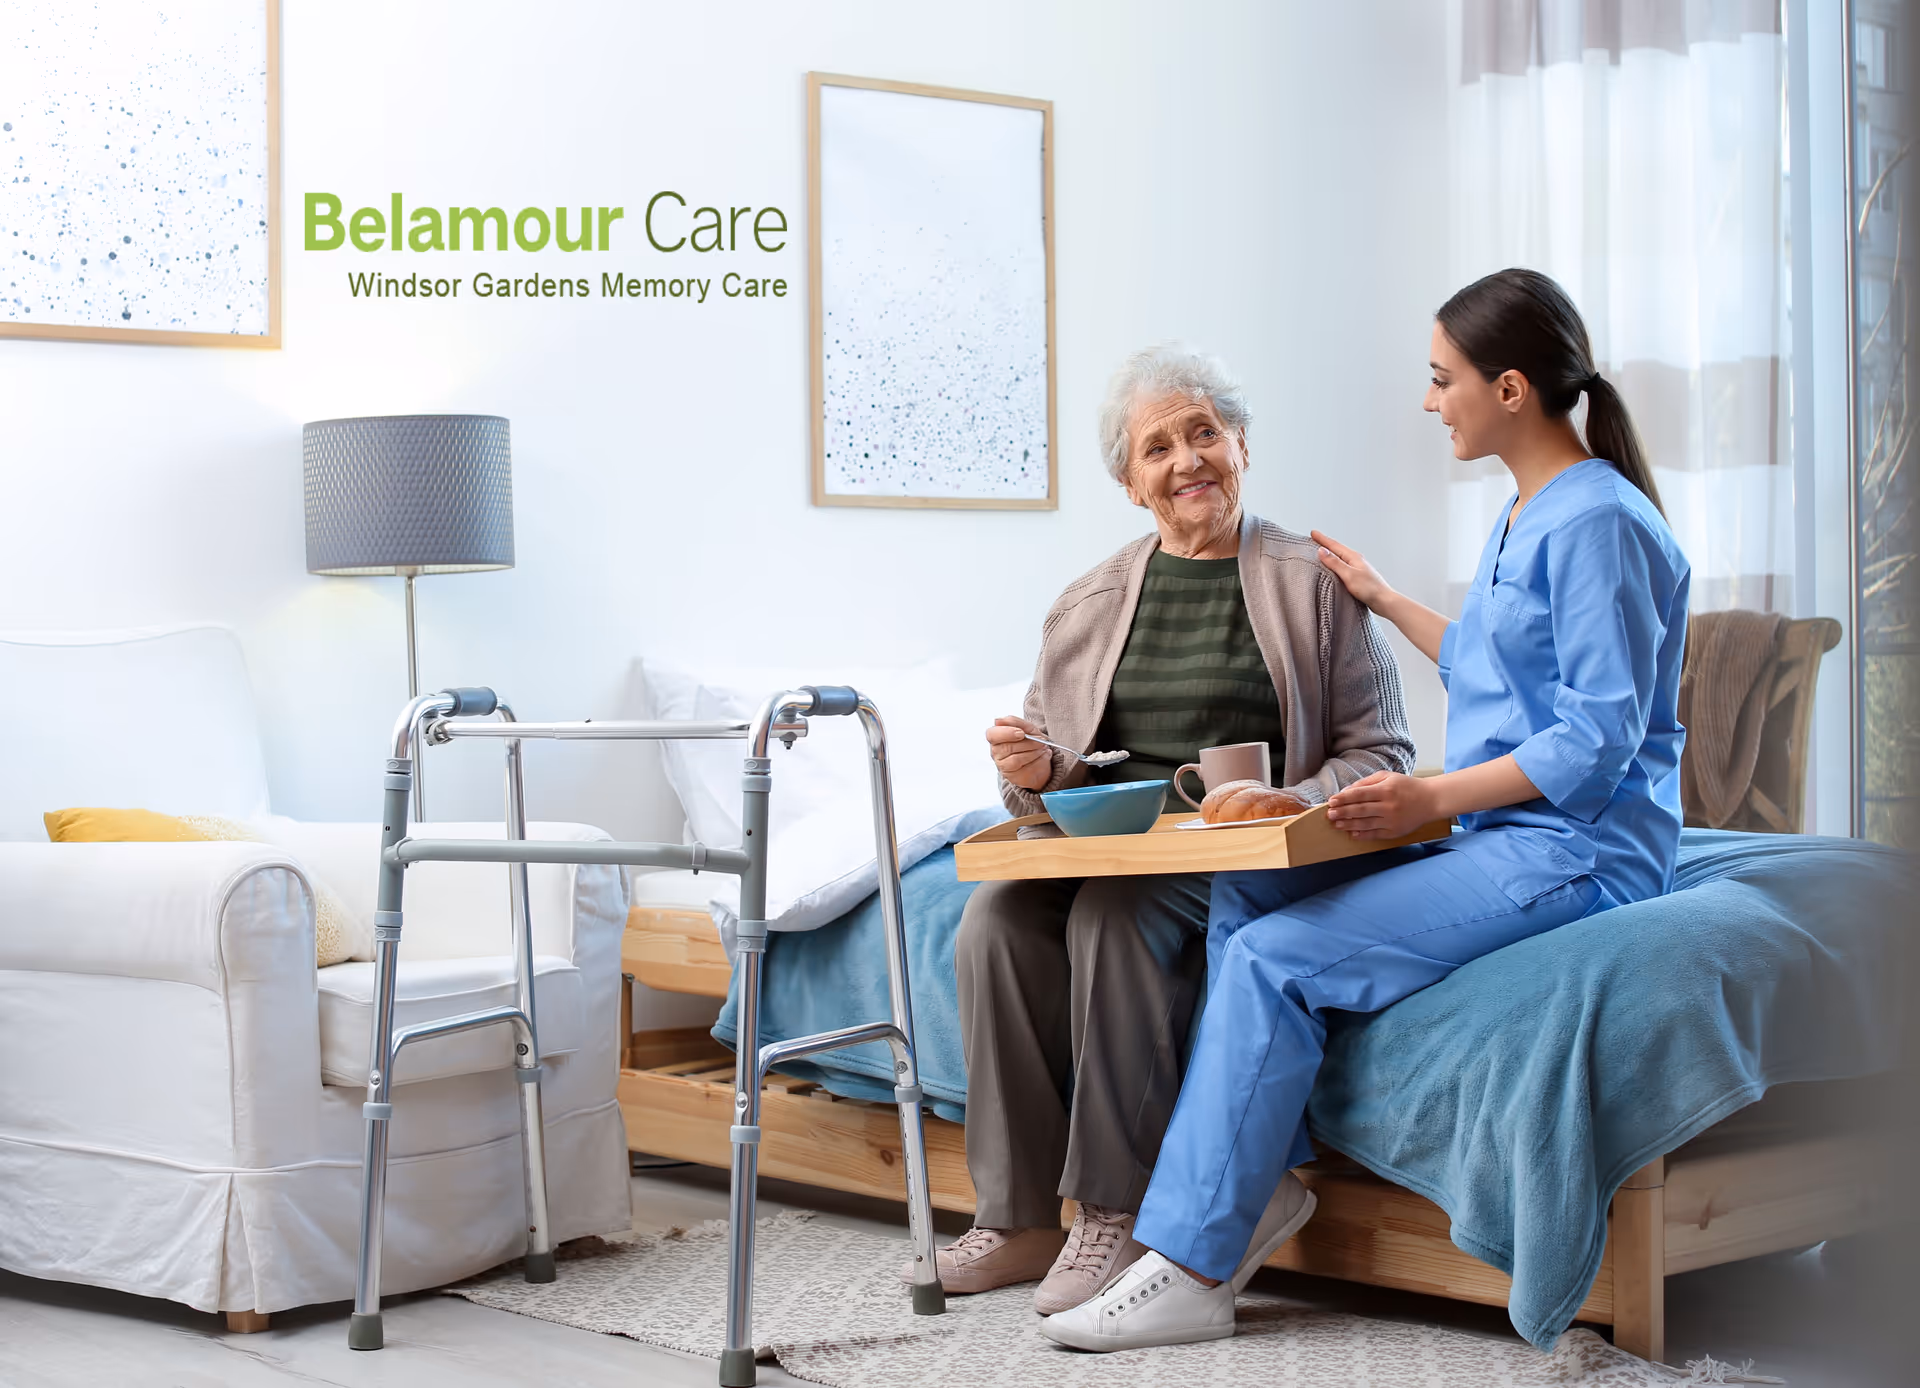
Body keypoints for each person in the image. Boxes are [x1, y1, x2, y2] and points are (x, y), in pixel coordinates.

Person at [1041, 269, 1691, 1351]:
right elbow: (1498, 664)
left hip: (1579, 851)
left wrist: (1427, 796)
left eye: (1444, 380)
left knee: (1274, 956)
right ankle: (1272, 1180)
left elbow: (1596, 736)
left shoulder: (1596, 523)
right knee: (1247, 883)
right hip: (1509, 833)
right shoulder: (1533, 507)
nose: (1432, 401)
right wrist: (1387, 598)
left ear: (1513, 387)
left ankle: (1197, 1259)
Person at [906, 345, 1416, 1315]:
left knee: (1111, 915)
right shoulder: (1087, 604)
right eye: (1158, 447)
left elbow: (1385, 752)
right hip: (1121, 846)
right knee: (993, 924)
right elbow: (1051, 778)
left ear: (1241, 449)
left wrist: (1295, 797)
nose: (1186, 460)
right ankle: (1016, 1215)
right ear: (1129, 481)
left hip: (1251, 853)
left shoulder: (1312, 583)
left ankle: (1117, 1206)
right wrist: (1033, 770)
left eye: (1203, 433)